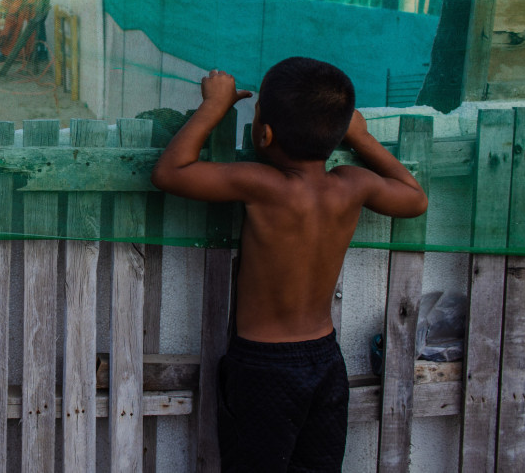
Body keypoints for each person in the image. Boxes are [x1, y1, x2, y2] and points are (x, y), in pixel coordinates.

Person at [150, 57, 428, 472]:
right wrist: (362, 137)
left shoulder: (264, 186)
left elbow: (170, 172)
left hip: (264, 368)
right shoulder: (352, 184)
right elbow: (415, 199)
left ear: (264, 133)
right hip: (326, 360)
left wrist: (214, 107)